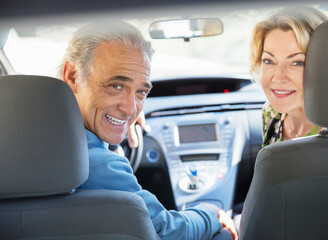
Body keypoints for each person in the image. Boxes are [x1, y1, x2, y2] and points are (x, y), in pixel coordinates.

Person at [57, 21, 237, 240]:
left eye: (141, 92)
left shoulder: (28, 136)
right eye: (116, 86)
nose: (131, 108)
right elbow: (166, 231)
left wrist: (114, 115)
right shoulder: (97, 164)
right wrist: (212, 212)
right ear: (73, 76)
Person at [249, 6, 328, 147]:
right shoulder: (271, 112)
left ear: (325, 67)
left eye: (297, 62)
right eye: (268, 61)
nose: (278, 77)